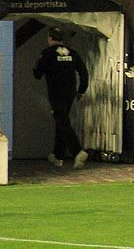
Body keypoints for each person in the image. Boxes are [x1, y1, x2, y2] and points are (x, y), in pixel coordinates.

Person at [33, 29, 89, 169]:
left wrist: (39, 67)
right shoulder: (73, 53)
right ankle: (58, 156)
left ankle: (77, 151)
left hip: (56, 92)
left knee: (62, 121)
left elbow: (37, 74)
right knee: (62, 119)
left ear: (50, 38)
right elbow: (84, 72)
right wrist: (81, 90)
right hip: (70, 92)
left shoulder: (47, 53)